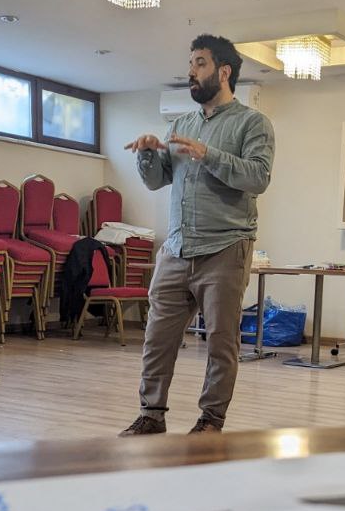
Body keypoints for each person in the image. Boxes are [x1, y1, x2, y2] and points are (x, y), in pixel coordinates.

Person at [118, 33, 275, 436]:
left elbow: (258, 178)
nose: (191, 71)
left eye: (200, 63)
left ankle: (210, 420)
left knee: (221, 342)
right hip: (176, 249)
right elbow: (157, 181)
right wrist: (148, 154)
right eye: (190, 63)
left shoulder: (252, 123)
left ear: (223, 71)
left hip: (225, 248)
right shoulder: (181, 125)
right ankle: (151, 414)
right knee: (157, 338)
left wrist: (209, 154)